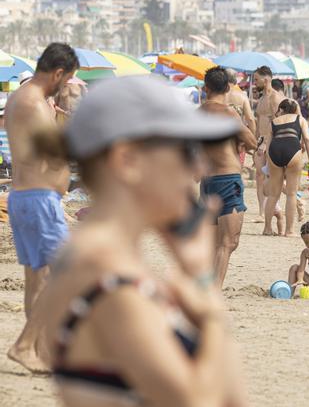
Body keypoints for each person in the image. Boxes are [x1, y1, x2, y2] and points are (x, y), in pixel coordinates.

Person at [34, 76, 247, 405]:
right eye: (185, 151)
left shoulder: (93, 260)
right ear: (127, 160)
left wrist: (198, 274)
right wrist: (210, 316)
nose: (199, 165)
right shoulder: (107, 276)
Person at [5, 43, 78, 373]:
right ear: (58, 73)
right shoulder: (35, 104)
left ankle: (38, 350)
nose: (65, 87)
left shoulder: (20, 99)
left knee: (38, 278)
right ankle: (24, 345)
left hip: (24, 196)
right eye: (67, 80)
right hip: (38, 198)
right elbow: (56, 155)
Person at [200, 67, 258, 288]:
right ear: (227, 88)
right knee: (229, 242)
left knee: (214, 244)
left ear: (206, 88)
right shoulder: (228, 114)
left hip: (207, 182)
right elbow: (252, 142)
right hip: (227, 179)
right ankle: (213, 293)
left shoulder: (196, 114)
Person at [263, 98, 309, 237]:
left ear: (282, 109)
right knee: (291, 194)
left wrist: (268, 162)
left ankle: (267, 228)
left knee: (274, 194)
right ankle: (289, 231)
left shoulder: (273, 122)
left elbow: (268, 143)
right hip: (292, 149)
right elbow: (307, 140)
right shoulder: (300, 119)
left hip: (275, 151)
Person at [254, 66, 285, 217]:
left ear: (265, 80)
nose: (254, 82)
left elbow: (277, 122)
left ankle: (296, 199)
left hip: (272, 141)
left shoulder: (276, 98)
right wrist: (255, 141)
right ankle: (262, 211)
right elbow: (259, 120)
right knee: (259, 176)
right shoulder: (261, 99)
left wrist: (266, 142)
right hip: (260, 141)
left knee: (273, 177)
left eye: (256, 79)